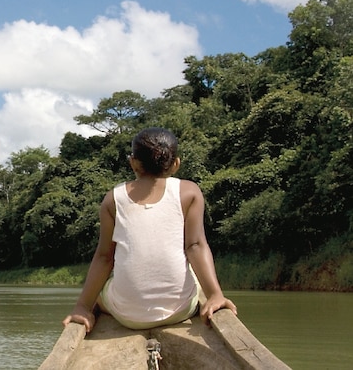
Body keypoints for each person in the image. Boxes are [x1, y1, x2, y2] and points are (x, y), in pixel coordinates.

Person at [62, 127, 236, 332]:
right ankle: (210, 296)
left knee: (102, 294)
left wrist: (82, 307)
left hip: (127, 316)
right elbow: (195, 246)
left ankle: (93, 308)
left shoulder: (113, 198)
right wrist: (215, 295)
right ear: (176, 164)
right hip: (179, 311)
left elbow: (104, 257)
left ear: (133, 162)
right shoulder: (189, 192)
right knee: (194, 280)